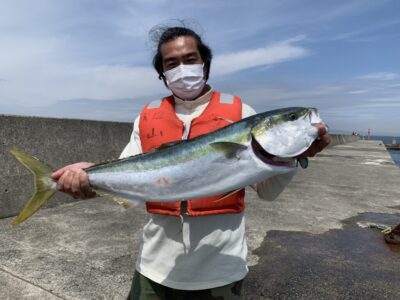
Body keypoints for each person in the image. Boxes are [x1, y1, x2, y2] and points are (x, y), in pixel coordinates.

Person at [52, 25, 331, 299]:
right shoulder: (147, 117)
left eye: (190, 59)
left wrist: (293, 158)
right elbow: (131, 189)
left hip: (221, 272)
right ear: (162, 73)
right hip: (154, 269)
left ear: (205, 63)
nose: (182, 69)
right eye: (171, 63)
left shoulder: (241, 113)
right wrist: (88, 178)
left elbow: (268, 192)